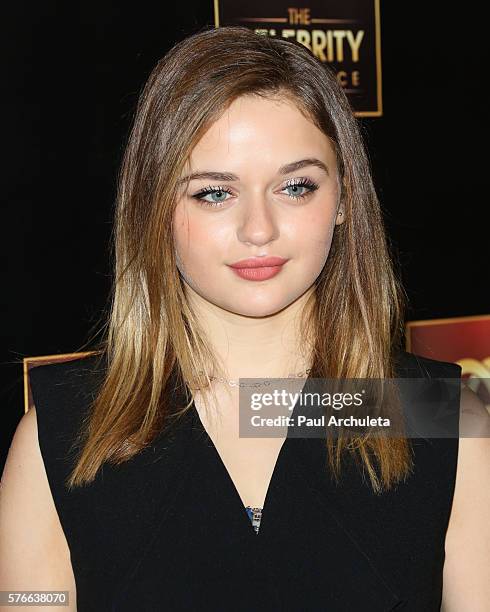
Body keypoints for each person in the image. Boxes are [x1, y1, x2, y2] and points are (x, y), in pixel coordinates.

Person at [1, 25, 489, 612]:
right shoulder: (63, 435)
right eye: (214, 193)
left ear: (344, 202)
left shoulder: (440, 417)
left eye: (295, 186)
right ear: (154, 207)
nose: (259, 229)